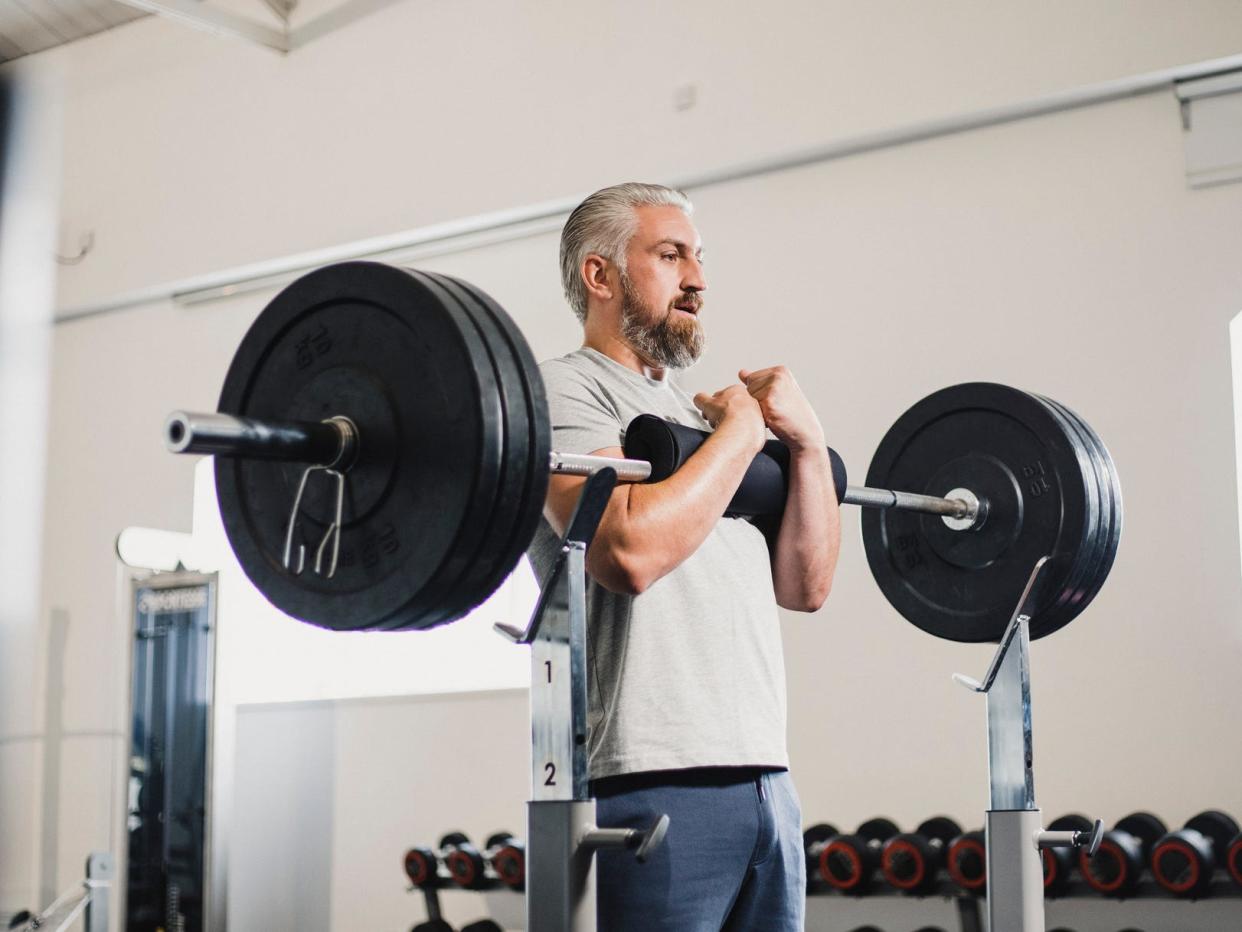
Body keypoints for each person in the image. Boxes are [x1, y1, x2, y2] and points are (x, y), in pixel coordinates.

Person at [527, 182, 840, 931]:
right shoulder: (562, 388)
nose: (697, 278)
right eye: (670, 255)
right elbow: (627, 552)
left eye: (699, 258)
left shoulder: (699, 419)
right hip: (646, 778)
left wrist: (808, 443)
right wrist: (739, 434)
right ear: (600, 276)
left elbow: (805, 585)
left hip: (767, 779)